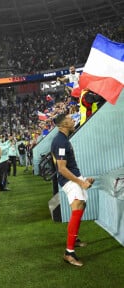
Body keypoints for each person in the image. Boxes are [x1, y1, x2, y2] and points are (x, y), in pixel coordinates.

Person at [51, 113, 95, 267]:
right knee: (78, 207)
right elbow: (62, 169)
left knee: (81, 206)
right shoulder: (60, 141)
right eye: (70, 119)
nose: (73, 120)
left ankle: (73, 239)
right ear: (64, 124)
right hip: (69, 180)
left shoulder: (63, 140)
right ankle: (69, 253)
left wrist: (83, 180)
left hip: (74, 178)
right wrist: (80, 183)